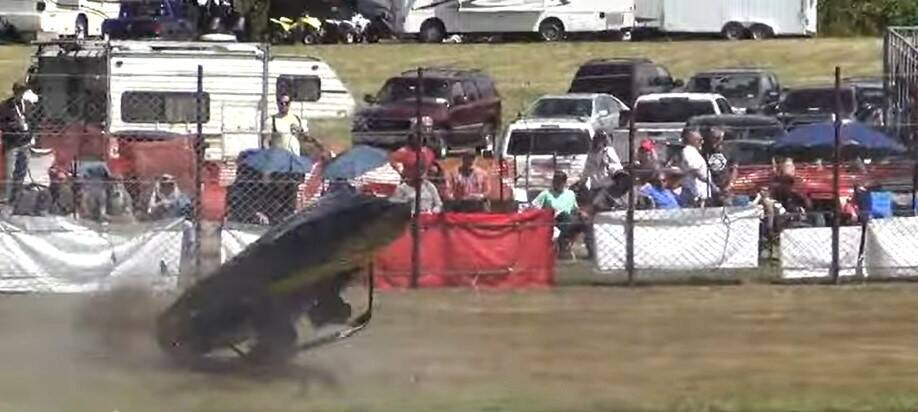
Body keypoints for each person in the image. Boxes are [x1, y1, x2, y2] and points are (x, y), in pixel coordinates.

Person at [531, 171, 585, 256]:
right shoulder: (546, 194)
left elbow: (575, 209)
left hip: (567, 221)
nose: (557, 184)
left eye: (559, 182)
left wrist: (581, 213)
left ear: (564, 182)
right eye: (555, 181)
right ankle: (563, 243)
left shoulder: (570, 194)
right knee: (564, 215)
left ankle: (566, 242)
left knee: (581, 220)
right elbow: (534, 207)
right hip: (551, 220)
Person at [0, 81, 34, 204]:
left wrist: (31, 135)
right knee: (10, 173)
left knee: (21, 171)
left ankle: (17, 197)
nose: (21, 94)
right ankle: (7, 197)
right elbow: (2, 124)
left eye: (23, 92)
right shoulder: (5, 106)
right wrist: (16, 125)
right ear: (15, 91)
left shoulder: (28, 105)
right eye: (19, 92)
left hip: (25, 143)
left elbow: (33, 121)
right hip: (12, 143)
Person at [269, 92, 328, 160]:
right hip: (279, 159)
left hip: (294, 159)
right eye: (281, 103)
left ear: (290, 103)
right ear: (277, 103)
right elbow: (266, 141)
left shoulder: (297, 119)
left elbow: (305, 137)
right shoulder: (272, 120)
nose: (284, 105)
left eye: (286, 103)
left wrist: (318, 144)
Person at [679, 128, 712, 207]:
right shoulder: (688, 151)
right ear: (691, 140)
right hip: (695, 195)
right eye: (699, 140)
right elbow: (694, 170)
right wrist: (710, 183)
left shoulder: (694, 152)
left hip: (701, 194)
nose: (702, 142)